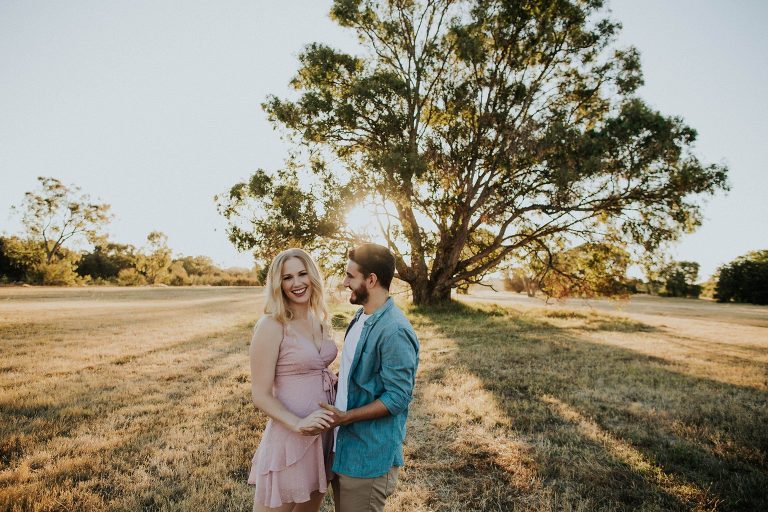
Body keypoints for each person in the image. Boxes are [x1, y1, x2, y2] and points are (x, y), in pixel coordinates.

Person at [315, 243, 420, 512]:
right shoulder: (362, 316)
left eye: (351, 276)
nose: (345, 281)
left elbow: (398, 397)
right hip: (345, 448)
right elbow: (356, 375)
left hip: (369, 456)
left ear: (371, 280)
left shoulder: (394, 329)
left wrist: (346, 417)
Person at [247, 248, 338, 512]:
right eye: (288, 278)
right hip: (291, 436)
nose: (297, 283)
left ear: (313, 276)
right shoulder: (271, 325)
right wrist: (298, 424)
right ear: (278, 284)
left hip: (324, 434)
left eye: (302, 274)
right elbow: (260, 395)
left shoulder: (319, 321)